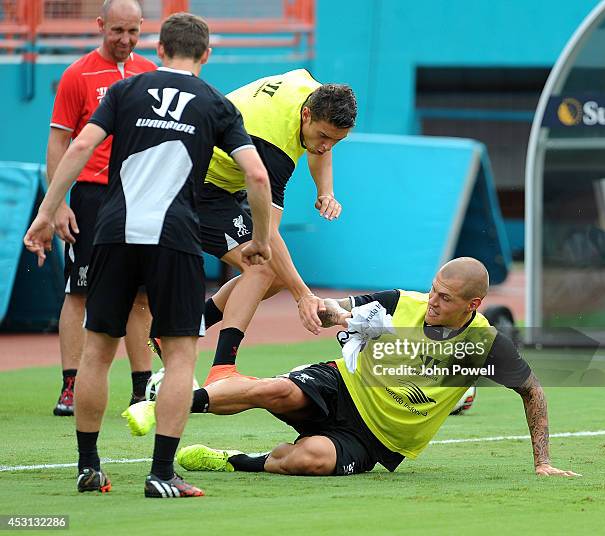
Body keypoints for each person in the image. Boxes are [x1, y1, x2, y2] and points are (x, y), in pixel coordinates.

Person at [24, 12, 272, 498]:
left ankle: (88, 467)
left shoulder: (124, 91)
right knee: (180, 358)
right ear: (205, 55)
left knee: (97, 352)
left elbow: (78, 149)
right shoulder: (217, 104)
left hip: (114, 232)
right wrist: (260, 239)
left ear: (158, 49)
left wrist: (47, 212)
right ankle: (161, 474)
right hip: (175, 237)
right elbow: (258, 177)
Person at [124, 258, 580, 478]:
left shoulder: (487, 345)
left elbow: (533, 390)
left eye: (445, 298)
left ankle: (234, 460)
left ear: (473, 305)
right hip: (343, 385)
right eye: (434, 289)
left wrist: (543, 463)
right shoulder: (402, 302)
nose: (433, 301)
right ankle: (166, 402)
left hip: (378, 439)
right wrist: (328, 311)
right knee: (276, 390)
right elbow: (336, 308)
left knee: (310, 460)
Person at [153, 70, 357, 386]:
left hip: (223, 180)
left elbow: (319, 149)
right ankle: (223, 369)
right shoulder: (273, 146)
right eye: (323, 136)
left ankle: (186, 328)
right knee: (262, 267)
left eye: (336, 140)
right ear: (306, 114)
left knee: (272, 277)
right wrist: (303, 295)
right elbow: (269, 238)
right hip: (193, 183)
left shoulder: (313, 92)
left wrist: (325, 191)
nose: (326, 146)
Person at [48, 0, 156, 416]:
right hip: (92, 198)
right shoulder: (77, 75)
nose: (125, 40)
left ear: (142, 28)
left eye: (133, 31)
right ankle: (70, 386)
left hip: (142, 195)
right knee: (80, 291)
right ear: (100, 25)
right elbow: (60, 142)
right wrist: (56, 203)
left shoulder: (151, 74)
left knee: (141, 296)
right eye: (117, 31)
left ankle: (141, 389)